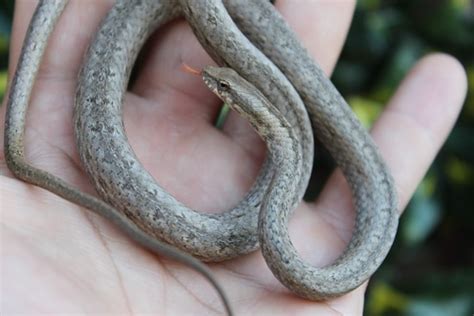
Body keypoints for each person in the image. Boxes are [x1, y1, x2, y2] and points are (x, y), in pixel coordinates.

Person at [0, 1, 467, 314]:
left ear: (242, 105)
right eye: (224, 86)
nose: (217, 86)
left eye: (224, 89)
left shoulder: (286, 152)